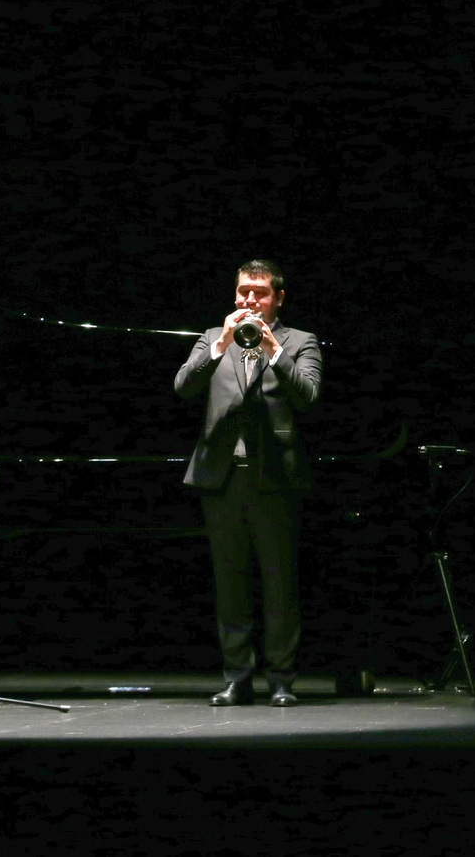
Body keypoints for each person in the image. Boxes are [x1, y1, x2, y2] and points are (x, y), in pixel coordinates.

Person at [174, 259, 323, 707]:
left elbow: (308, 395)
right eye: (244, 291)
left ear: (278, 298)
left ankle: (281, 680)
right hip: (222, 478)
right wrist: (220, 343)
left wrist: (274, 350)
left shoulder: (300, 341)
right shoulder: (212, 337)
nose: (250, 300)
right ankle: (237, 678)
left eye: (260, 293)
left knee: (279, 584)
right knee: (230, 585)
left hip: (275, 479)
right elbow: (183, 386)